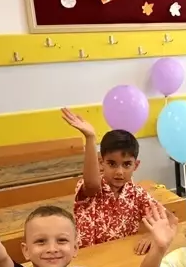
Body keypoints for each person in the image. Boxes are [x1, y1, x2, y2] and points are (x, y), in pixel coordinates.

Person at [61, 108, 174, 254]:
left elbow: (171, 220)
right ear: (101, 163)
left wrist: (153, 236)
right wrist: (90, 138)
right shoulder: (94, 189)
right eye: (112, 164)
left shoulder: (137, 194)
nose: (119, 172)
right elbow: (91, 185)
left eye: (127, 164)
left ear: (136, 165)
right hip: (88, 259)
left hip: (122, 256)